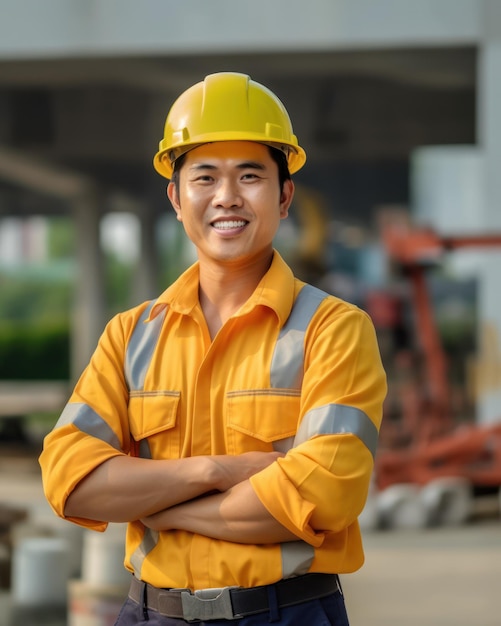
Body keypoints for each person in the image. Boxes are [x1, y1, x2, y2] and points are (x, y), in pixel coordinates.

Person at [40, 72, 387, 625]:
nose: (227, 196)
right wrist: (215, 472)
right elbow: (69, 480)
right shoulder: (130, 335)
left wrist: (153, 505)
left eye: (250, 175)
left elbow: (323, 497)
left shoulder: (334, 330)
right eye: (205, 176)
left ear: (284, 194)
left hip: (284, 613)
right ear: (177, 198)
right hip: (150, 613)